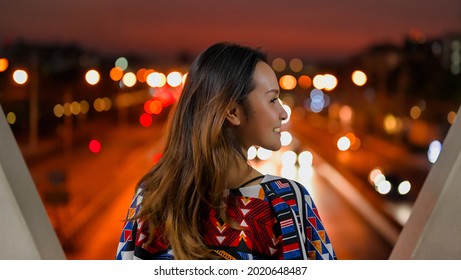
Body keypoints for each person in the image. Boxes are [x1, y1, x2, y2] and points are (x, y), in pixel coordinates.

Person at [115, 42, 336, 260]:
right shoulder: (284, 202)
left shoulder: (150, 199)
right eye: (272, 99)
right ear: (232, 111)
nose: (283, 113)